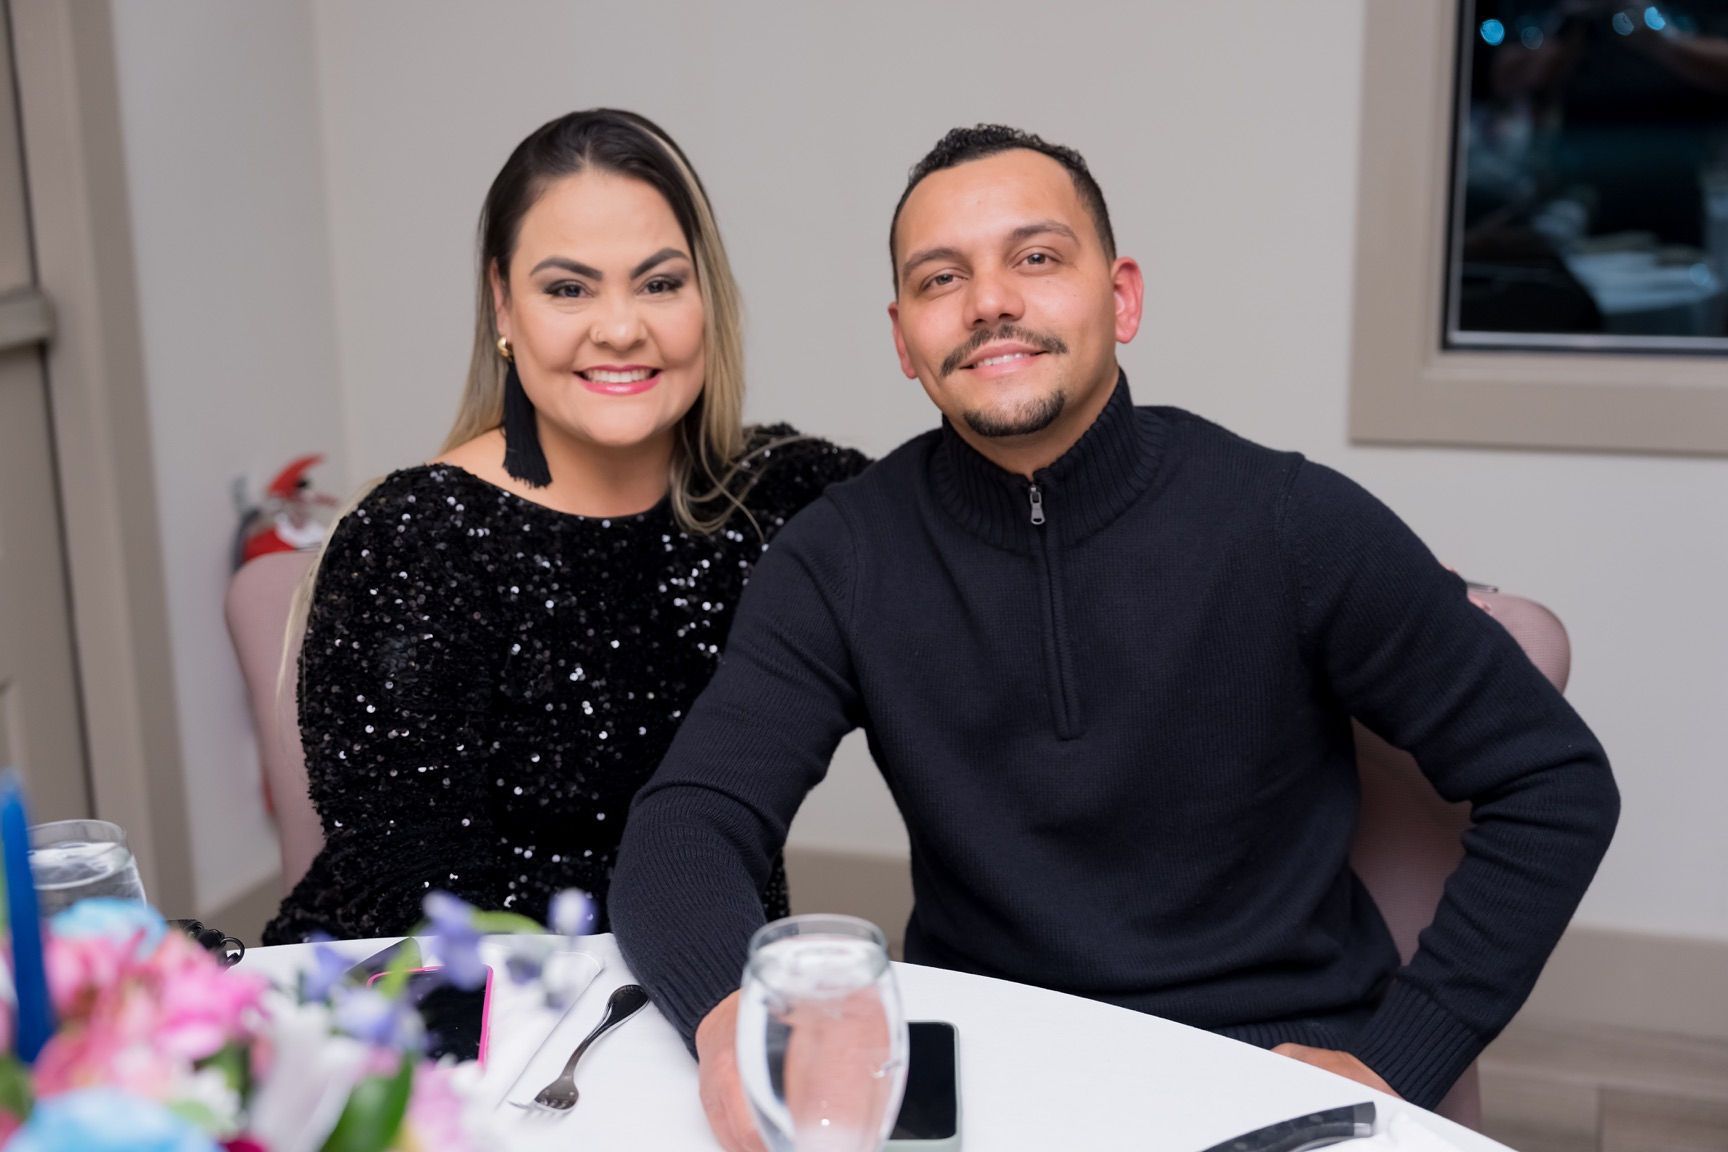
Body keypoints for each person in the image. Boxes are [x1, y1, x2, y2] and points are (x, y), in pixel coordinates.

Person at [609, 125, 1619, 1148]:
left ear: (1122, 298)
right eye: (941, 277)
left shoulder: (1290, 520)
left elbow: (1556, 785)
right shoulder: (843, 555)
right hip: (996, 1067)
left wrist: (1401, 1057)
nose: (991, 299)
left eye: (1036, 258)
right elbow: (690, 820)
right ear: (906, 340)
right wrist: (729, 1017)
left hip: (1269, 1071)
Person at [262, 109, 867, 945]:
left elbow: (981, 543)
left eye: (659, 283)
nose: (620, 328)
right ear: (504, 306)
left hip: (711, 1000)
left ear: (708, 300)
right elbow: (421, 919)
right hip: (471, 1019)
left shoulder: (781, 497)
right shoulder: (412, 542)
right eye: (567, 288)